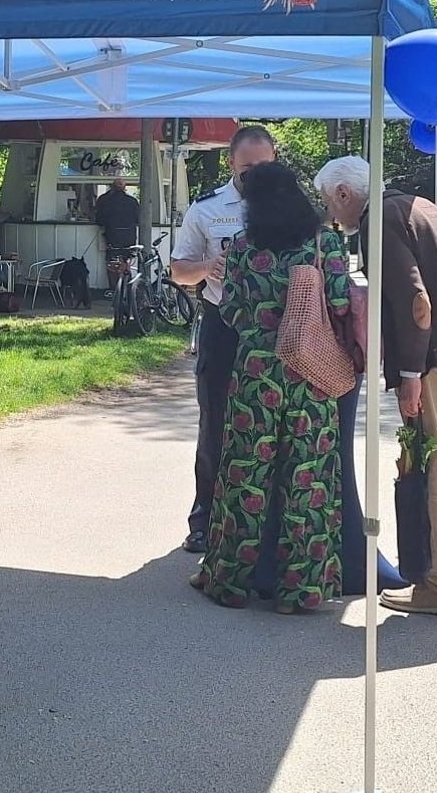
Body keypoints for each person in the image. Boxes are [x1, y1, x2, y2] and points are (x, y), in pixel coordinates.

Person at [318, 156, 437, 620]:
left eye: (328, 202)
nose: (329, 214)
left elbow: (417, 302)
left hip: (435, 359)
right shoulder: (424, 206)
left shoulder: (378, 221)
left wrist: (408, 375)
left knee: (434, 468)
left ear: (344, 194)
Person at [187, 162, 353, 613]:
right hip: (310, 376)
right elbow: (340, 301)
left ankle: (228, 582)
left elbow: (230, 308)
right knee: (307, 479)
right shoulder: (324, 243)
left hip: (256, 374)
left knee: (245, 478)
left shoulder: (242, 248)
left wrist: (261, 333)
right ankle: (302, 592)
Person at [167, 124, 278, 554]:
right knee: (215, 420)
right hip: (223, 324)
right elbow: (179, 270)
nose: (254, 175)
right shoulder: (207, 209)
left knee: (271, 424)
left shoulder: (291, 207)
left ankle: (265, 518)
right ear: (231, 163)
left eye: (263, 167)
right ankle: (205, 519)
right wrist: (207, 266)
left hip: (274, 330)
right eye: (247, 167)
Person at [94, 177, 141, 253]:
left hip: (112, 235)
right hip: (129, 235)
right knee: (127, 258)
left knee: (113, 258)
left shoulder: (104, 199)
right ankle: (125, 264)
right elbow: (137, 218)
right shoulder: (132, 201)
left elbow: (99, 220)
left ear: (112, 187)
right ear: (124, 188)